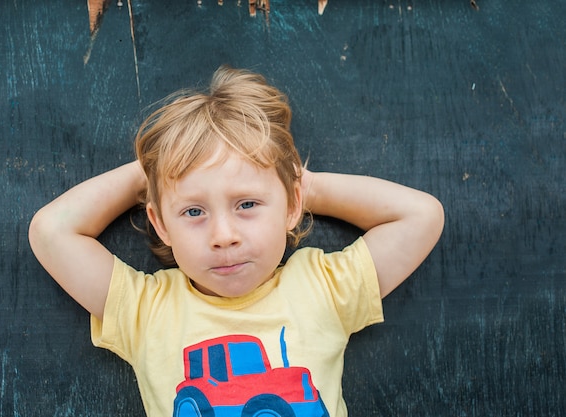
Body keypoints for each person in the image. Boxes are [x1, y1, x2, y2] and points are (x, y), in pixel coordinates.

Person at [29, 66, 444, 417]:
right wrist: (154, 168)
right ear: (161, 225)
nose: (223, 236)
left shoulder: (323, 287)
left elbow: (420, 216)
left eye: (247, 203)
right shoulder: (145, 310)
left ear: (290, 205)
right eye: (193, 211)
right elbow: (52, 231)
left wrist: (304, 187)